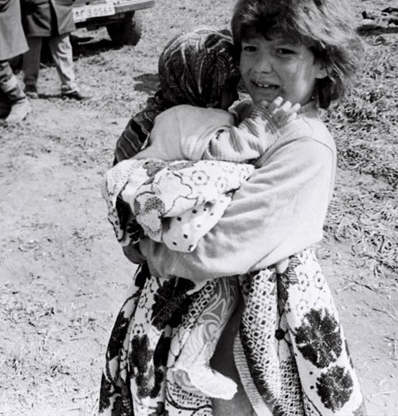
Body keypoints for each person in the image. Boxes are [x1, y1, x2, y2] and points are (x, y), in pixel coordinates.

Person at [100, 0, 365, 416]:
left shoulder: (305, 147)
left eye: (284, 51)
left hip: (252, 318)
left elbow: (219, 246)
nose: (261, 66)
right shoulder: (241, 113)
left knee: (237, 405)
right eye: (251, 48)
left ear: (322, 62)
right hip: (196, 300)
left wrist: (146, 247)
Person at [102, 32, 300, 398]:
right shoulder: (193, 118)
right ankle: (193, 362)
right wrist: (261, 129)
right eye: (227, 86)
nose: (233, 95)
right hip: (187, 258)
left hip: (156, 263)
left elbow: (124, 193)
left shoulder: (144, 120)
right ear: (202, 81)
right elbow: (221, 159)